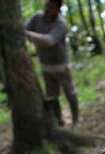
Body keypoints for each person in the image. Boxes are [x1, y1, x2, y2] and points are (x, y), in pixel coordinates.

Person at [25, 0, 79, 128]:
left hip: (61, 66)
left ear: (57, 9)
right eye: (46, 5)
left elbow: (50, 40)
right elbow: (23, 28)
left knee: (70, 93)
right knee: (52, 96)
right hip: (46, 66)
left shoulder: (61, 24)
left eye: (50, 7)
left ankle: (76, 121)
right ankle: (59, 121)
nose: (47, 9)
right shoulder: (37, 17)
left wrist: (28, 35)